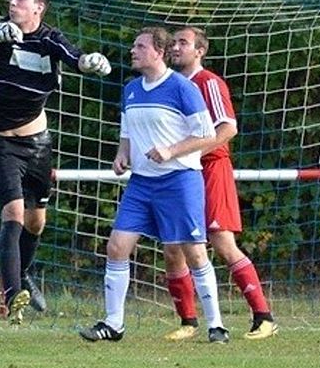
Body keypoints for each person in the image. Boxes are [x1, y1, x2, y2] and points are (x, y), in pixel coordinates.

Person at [80, 27, 230, 344]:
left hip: (179, 181)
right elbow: (127, 130)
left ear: (158, 52)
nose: (132, 51)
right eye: (134, 46)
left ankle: (216, 325)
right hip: (141, 183)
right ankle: (114, 324)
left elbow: (206, 134)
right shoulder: (131, 89)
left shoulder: (181, 88)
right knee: (117, 247)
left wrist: (170, 151)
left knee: (194, 252)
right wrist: (122, 154)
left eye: (140, 46)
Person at [0, 0, 111, 322]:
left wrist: (89, 61)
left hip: (38, 144)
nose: (13, 3)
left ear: (38, 7)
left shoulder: (50, 39)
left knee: (36, 222)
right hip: (1, 141)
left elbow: (74, 56)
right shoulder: (0, 33)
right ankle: (12, 298)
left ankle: (24, 273)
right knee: (13, 213)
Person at [164, 26, 278, 340]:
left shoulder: (208, 82)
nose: (175, 47)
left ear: (200, 50)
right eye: (173, 42)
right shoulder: (168, 85)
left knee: (222, 243)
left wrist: (188, 153)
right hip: (178, 175)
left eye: (183, 43)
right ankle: (188, 321)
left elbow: (227, 130)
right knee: (173, 246)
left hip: (210, 170)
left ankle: (263, 316)